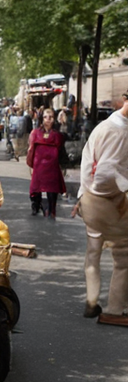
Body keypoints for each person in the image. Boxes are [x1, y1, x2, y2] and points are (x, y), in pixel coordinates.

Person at [75, 95, 128, 324]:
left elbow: (87, 163)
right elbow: (106, 173)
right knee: (123, 257)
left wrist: (83, 195)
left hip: (91, 200)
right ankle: (115, 309)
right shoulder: (121, 133)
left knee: (93, 252)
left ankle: (91, 301)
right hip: (112, 202)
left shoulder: (102, 127)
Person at [26, 108, 66, 218]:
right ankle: (36, 206)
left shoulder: (58, 135)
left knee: (52, 190)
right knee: (36, 188)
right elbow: (31, 149)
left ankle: (51, 209)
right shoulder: (35, 133)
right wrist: (31, 164)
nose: (48, 120)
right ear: (41, 118)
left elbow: (62, 151)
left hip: (52, 166)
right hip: (38, 165)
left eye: (51, 117)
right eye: (45, 117)